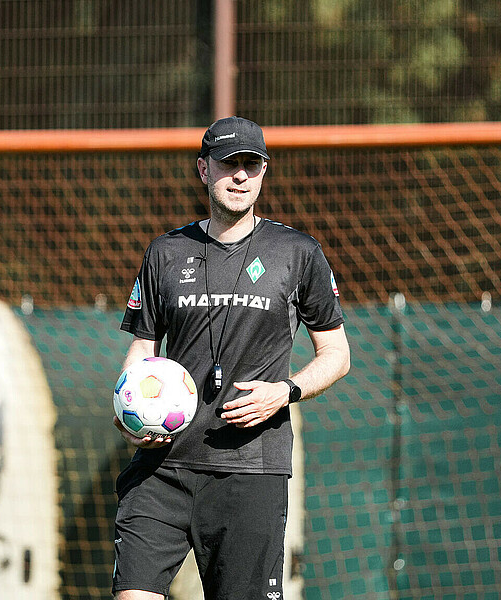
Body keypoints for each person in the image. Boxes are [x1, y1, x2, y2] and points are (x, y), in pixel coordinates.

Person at [112, 116, 350, 600]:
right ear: (204, 169)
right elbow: (143, 348)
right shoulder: (166, 252)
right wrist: (128, 411)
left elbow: (337, 353)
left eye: (251, 165)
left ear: (263, 172)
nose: (240, 175)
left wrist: (284, 392)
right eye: (228, 164)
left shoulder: (297, 252)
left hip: (250, 469)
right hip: (163, 464)